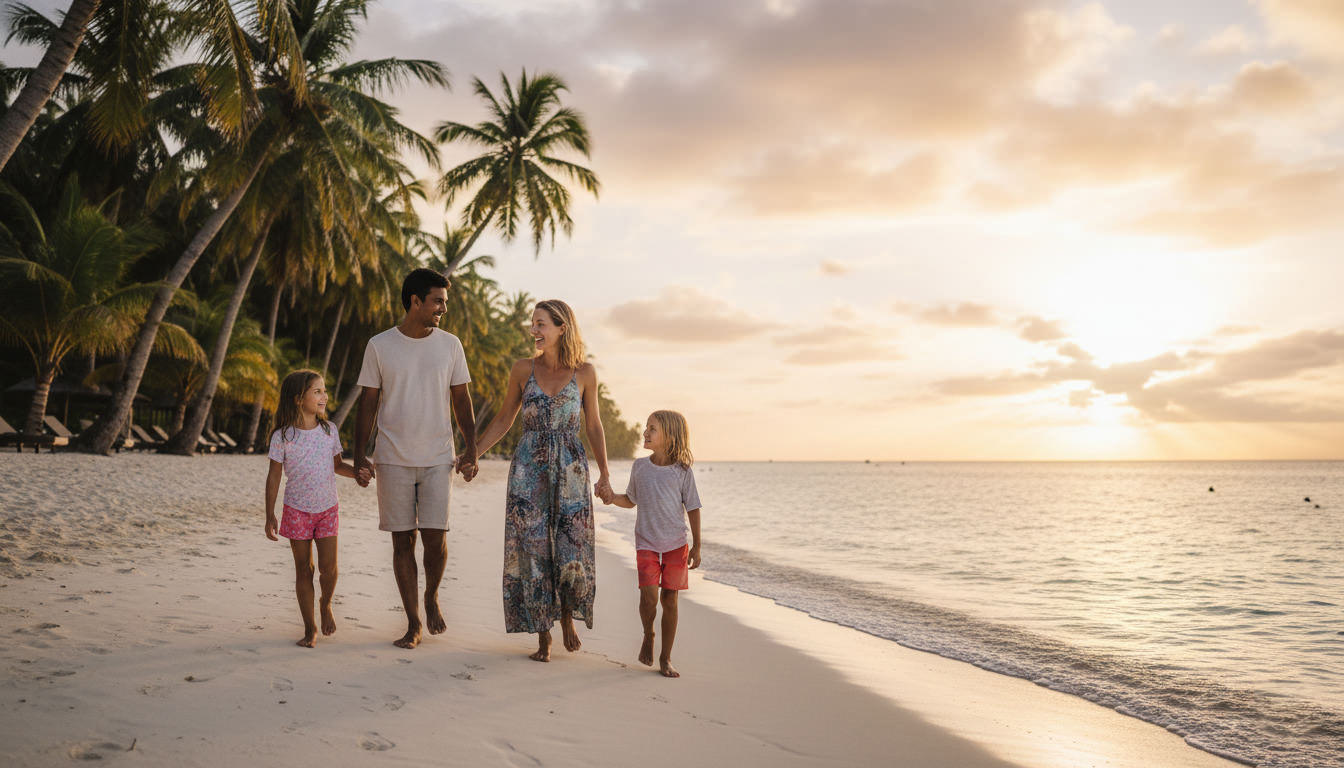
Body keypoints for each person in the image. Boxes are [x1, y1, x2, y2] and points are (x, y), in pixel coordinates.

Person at [468, 300, 612, 662]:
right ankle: (543, 635)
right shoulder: (522, 369)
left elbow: (594, 425)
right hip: (529, 469)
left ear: (562, 328)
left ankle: (566, 616)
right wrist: (474, 454)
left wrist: (606, 474)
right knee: (532, 549)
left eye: (541, 324)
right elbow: (504, 419)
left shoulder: (585, 373)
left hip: (571, 469)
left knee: (570, 546)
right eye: (533, 324)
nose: (533, 330)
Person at [352, 268, 476, 649]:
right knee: (402, 541)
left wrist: (471, 449)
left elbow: (461, 400)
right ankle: (412, 622)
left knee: (436, 539)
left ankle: (431, 595)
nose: (443, 308)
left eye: (445, 301)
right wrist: (359, 456)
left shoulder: (451, 345)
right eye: (437, 301)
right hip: (392, 458)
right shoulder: (379, 345)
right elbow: (368, 404)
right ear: (415, 301)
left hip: (439, 456)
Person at [600, 410, 702, 678]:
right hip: (646, 541)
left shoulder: (682, 472)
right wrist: (611, 498)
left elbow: (693, 508)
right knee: (648, 598)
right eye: (646, 427)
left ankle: (665, 658)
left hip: (676, 545)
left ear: (670, 436)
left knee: (670, 600)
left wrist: (698, 545)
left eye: (652, 429)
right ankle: (648, 633)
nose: (645, 432)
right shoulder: (640, 467)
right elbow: (631, 499)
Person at [264, 370, 360, 648]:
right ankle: (310, 628)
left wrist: (360, 474)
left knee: (329, 569)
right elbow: (273, 476)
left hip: (327, 508)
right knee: (303, 570)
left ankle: (325, 602)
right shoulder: (282, 436)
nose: (324, 396)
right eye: (317, 391)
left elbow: (338, 465)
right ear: (298, 399)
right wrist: (270, 513)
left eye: (324, 391)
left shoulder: (329, 430)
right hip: (296, 510)